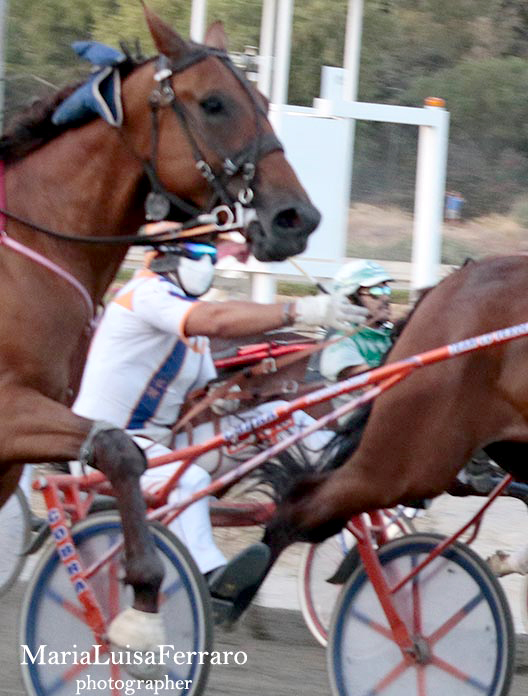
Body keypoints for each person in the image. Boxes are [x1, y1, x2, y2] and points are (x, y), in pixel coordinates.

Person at [72, 222, 366, 639]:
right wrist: (302, 311)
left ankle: (340, 485)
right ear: (170, 257)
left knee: (286, 416)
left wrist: (242, 399)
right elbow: (217, 320)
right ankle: (212, 579)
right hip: (105, 447)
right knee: (186, 477)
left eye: (213, 256)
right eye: (203, 256)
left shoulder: (184, 321)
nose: (209, 264)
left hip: (159, 443)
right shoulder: (147, 293)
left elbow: (197, 399)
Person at [319, 259, 396, 382]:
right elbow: (371, 384)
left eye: (386, 290)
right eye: (375, 291)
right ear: (350, 299)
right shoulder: (341, 342)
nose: (385, 297)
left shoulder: (390, 336)